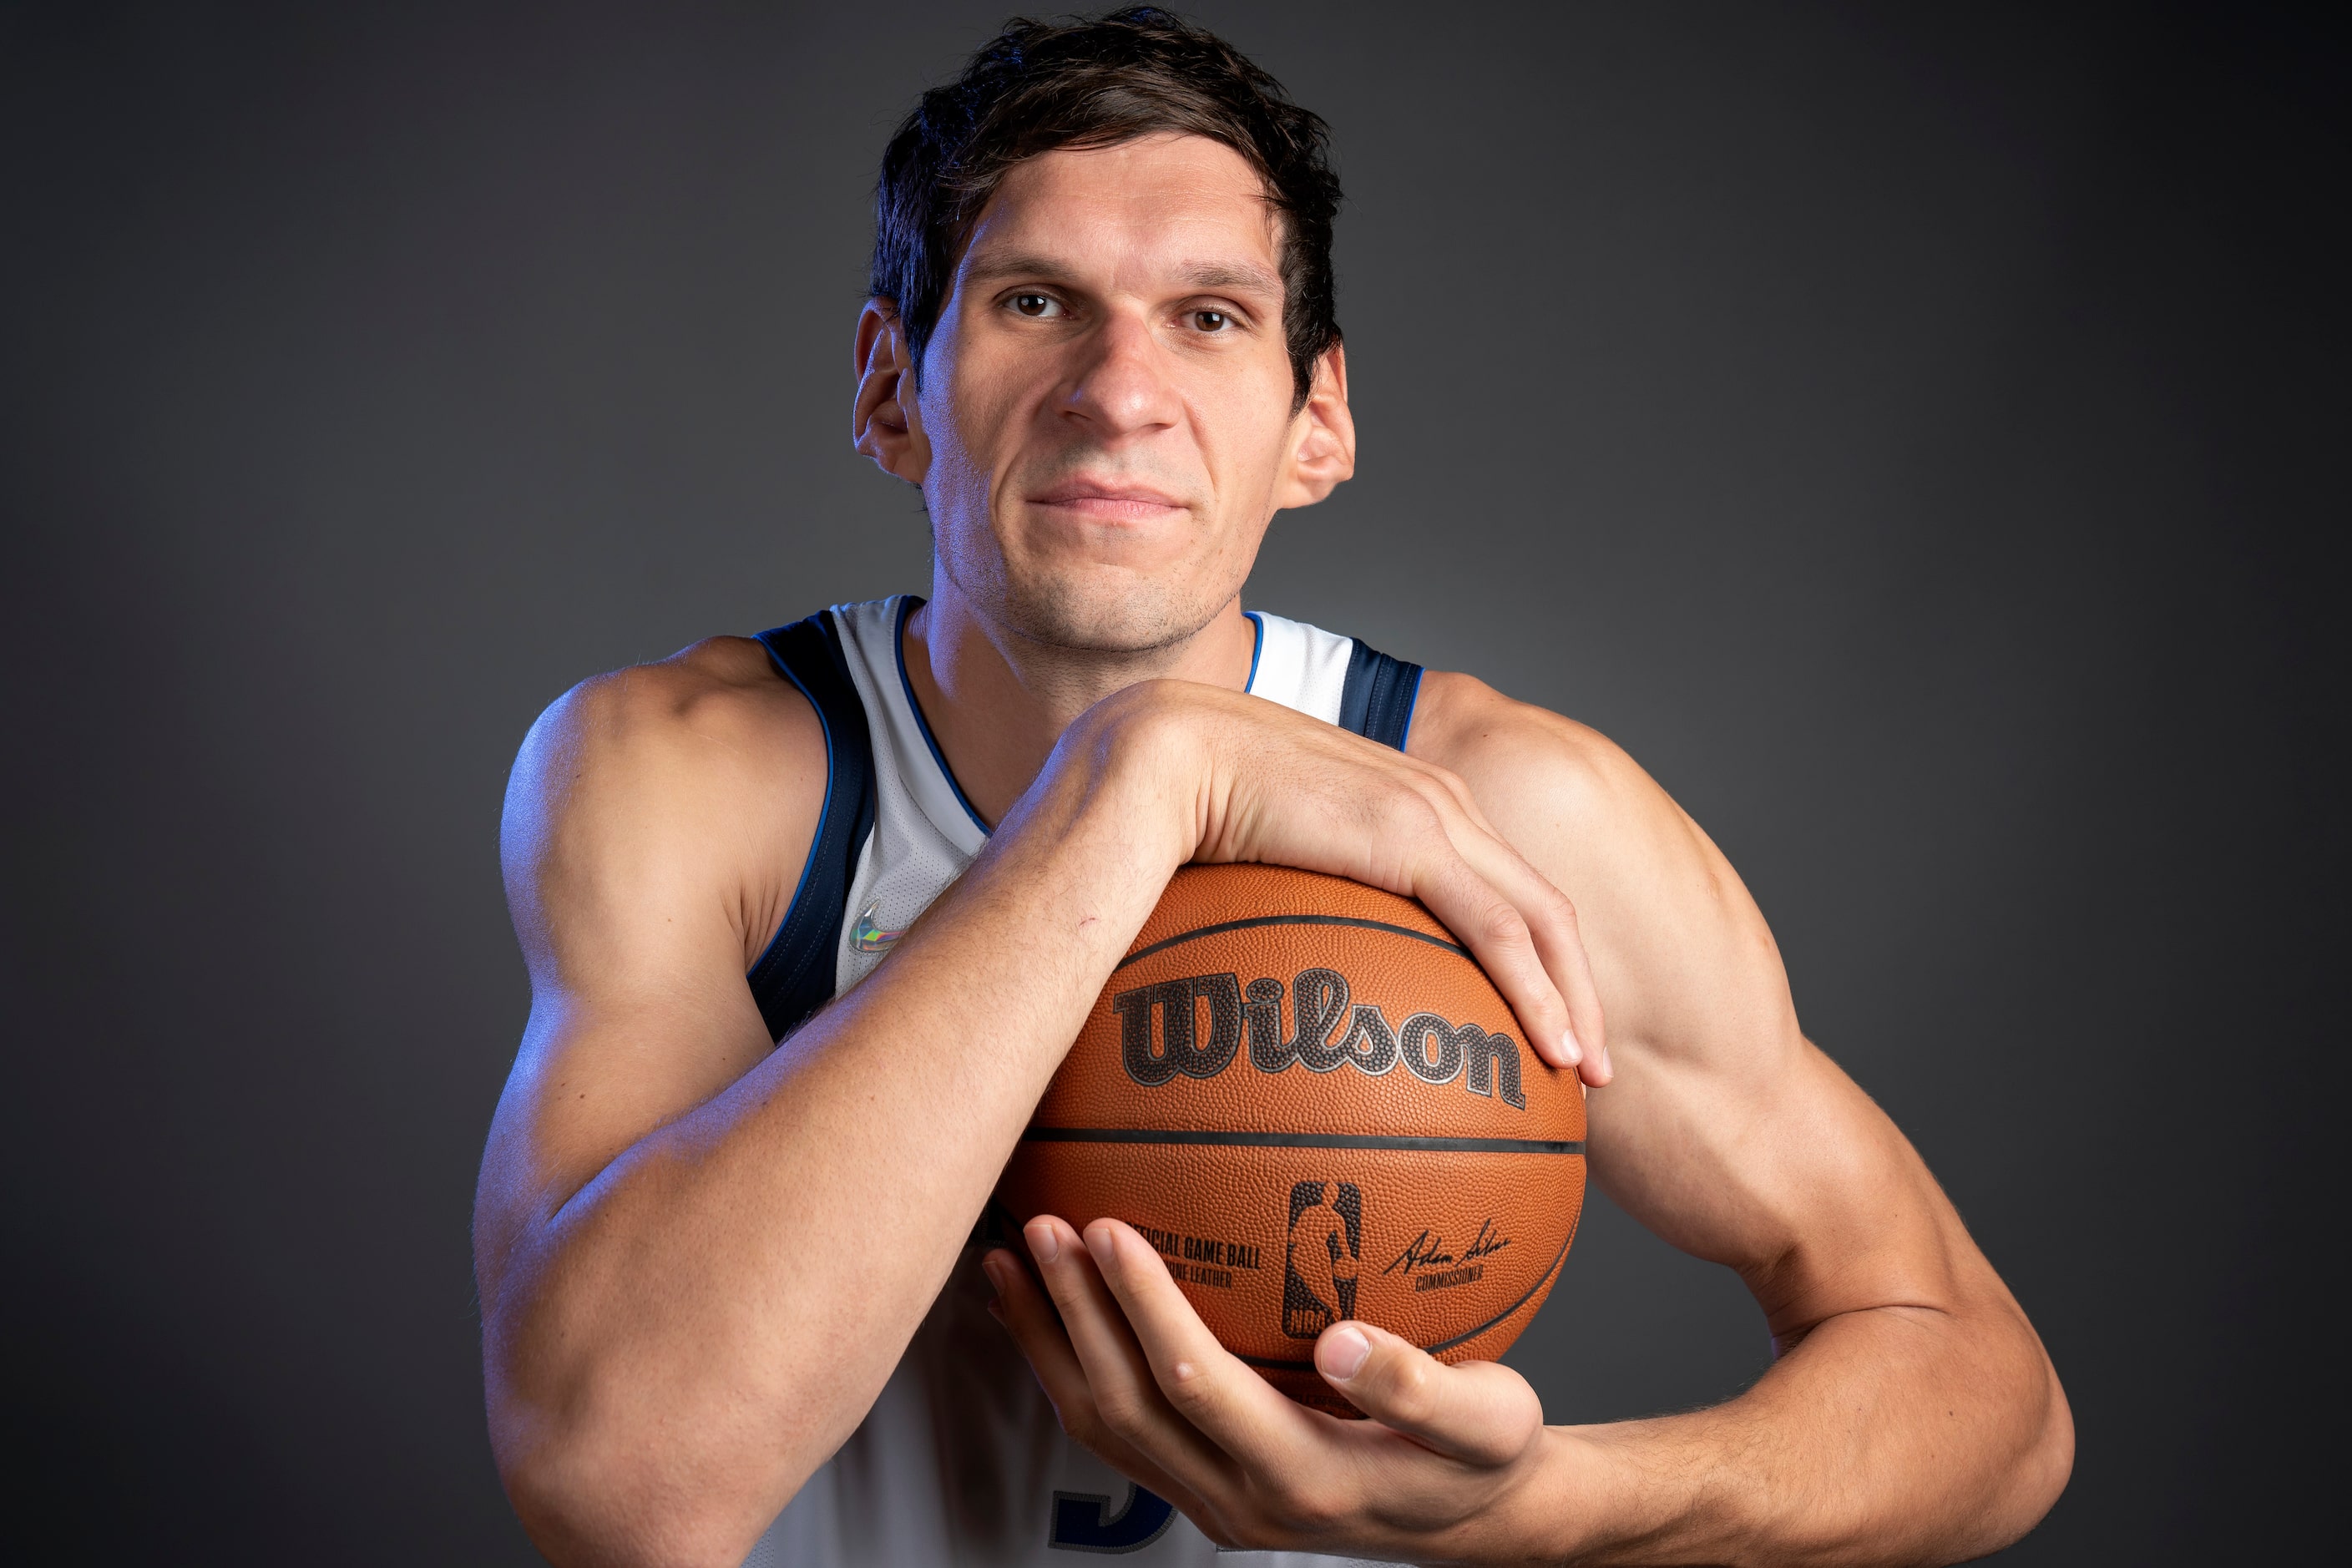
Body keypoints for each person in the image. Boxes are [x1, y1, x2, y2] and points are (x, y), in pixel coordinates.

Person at [473, 10, 2072, 1565]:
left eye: (1211, 317)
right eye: (1035, 301)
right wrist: (1144, 782)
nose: (1119, 389)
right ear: (893, 390)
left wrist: (1543, 1512)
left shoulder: (1504, 813)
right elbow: (621, 1487)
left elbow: (1989, 1407)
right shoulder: (696, 779)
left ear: (1317, 422)